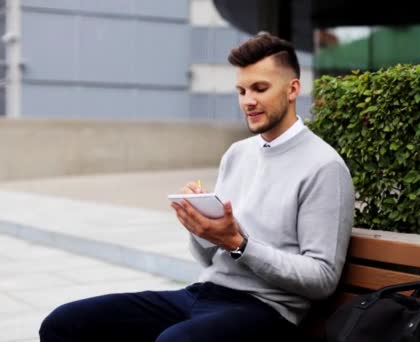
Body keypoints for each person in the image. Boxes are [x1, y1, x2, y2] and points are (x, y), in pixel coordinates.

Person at [39, 32, 355, 342]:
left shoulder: (324, 166)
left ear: (293, 89)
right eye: (241, 91)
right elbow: (209, 260)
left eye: (260, 88)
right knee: (65, 323)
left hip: (268, 311)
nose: (248, 101)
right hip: (203, 293)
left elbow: (322, 278)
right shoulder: (237, 153)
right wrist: (200, 228)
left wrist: (240, 243)